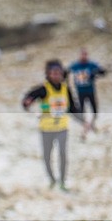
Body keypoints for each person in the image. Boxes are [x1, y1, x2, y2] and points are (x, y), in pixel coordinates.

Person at [22, 59, 90, 191]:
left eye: (58, 73)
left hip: (62, 128)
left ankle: (63, 182)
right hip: (46, 129)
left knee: (63, 154)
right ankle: (52, 179)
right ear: (48, 74)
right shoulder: (43, 89)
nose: (56, 75)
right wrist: (27, 102)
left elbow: (73, 108)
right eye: (53, 73)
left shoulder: (66, 89)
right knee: (47, 157)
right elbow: (29, 97)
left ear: (62, 74)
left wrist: (83, 122)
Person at [68, 48, 107, 134]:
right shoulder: (75, 65)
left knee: (94, 109)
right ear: (79, 55)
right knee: (82, 110)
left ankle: (92, 124)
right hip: (80, 92)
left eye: (85, 54)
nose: (84, 56)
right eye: (82, 54)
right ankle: (85, 127)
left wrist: (99, 72)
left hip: (90, 91)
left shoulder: (91, 64)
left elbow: (102, 72)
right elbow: (67, 72)